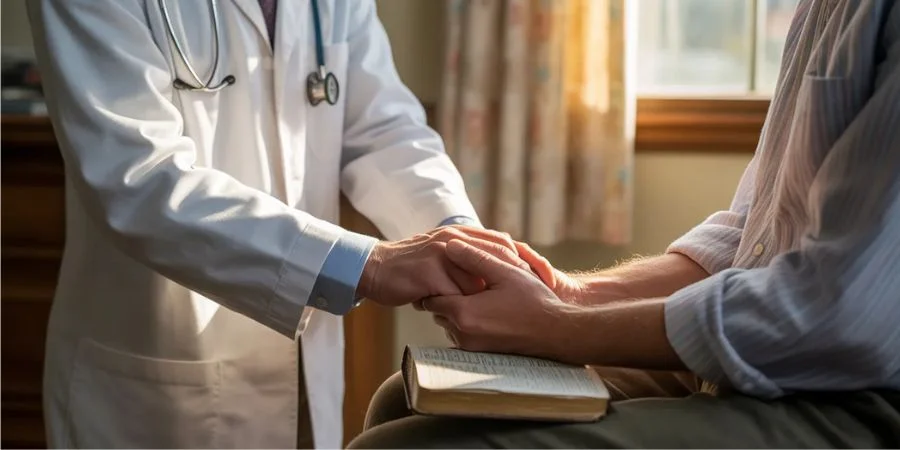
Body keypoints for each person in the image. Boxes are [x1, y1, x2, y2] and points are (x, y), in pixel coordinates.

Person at [350, 0, 900, 448]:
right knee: (404, 399)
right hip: (785, 344)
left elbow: (836, 315)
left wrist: (557, 327)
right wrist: (570, 294)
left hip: (856, 389)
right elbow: (754, 235)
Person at [26, 0, 538, 448]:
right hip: (160, 384)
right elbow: (138, 178)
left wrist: (460, 241)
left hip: (308, 374)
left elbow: (382, 128)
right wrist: (368, 266)